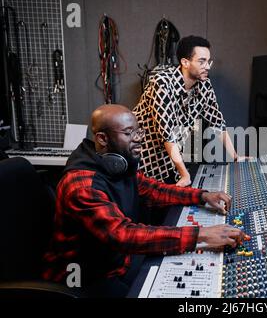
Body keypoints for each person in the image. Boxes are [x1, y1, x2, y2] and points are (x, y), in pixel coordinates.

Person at [42, 104, 244, 297]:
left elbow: (153, 190)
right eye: (129, 133)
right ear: (102, 138)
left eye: (139, 132)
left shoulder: (116, 165)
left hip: (117, 262)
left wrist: (201, 196)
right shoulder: (81, 187)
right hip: (84, 278)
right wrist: (202, 235)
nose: (139, 139)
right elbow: (122, 235)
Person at [133, 35, 243, 187]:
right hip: (145, 163)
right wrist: (185, 175)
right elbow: (168, 135)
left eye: (208, 61)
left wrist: (236, 157)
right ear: (185, 62)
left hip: (171, 162)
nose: (208, 66)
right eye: (201, 61)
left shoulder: (204, 85)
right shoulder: (162, 83)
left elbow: (217, 123)